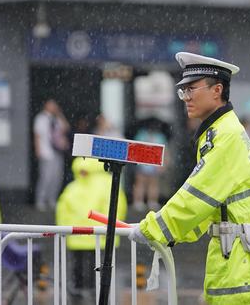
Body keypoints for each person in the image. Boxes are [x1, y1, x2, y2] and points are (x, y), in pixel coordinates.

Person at [129, 52, 250, 304]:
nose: (186, 98)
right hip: (243, 268)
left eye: (192, 89)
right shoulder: (221, 131)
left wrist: (154, 228)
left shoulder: (225, 136)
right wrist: (170, 232)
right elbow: (206, 205)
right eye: (183, 92)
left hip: (243, 274)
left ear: (217, 90)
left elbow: (197, 196)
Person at [56, 157, 127, 297]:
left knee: (90, 270)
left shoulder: (75, 186)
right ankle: (92, 295)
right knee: (92, 271)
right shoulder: (106, 183)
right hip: (93, 236)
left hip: (92, 236)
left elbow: (62, 209)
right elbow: (63, 209)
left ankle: (88, 295)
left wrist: (66, 227)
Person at [33, 99, 70, 211]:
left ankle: (52, 199)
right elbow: (37, 135)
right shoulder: (41, 118)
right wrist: (38, 149)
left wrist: (60, 115)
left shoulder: (57, 119)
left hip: (57, 152)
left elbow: (66, 128)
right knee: (46, 177)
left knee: (56, 177)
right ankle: (40, 200)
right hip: (46, 152)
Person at [132, 119, 169, 211]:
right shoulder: (141, 134)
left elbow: (165, 151)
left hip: (154, 164)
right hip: (143, 163)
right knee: (141, 183)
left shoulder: (159, 137)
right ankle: (138, 201)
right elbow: (136, 148)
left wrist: (164, 164)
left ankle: (151, 201)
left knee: (153, 184)